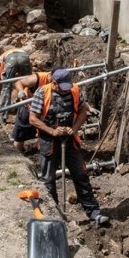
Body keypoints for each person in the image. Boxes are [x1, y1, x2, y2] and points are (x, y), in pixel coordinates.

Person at [28, 69, 109, 227]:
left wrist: (74, 128)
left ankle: (93, 212)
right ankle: (53, 218)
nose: (66, 90)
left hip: (70, 140)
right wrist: (52, 131)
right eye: (62, 87)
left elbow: (83, 111)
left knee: (81, 175)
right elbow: (33, 119)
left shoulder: (75, 90)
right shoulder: (41, 93)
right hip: (48, 141)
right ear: (54, 83)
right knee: (48, 181)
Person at [9, 70, 52, 152]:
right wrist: (21, 92)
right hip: (28, 105)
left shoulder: (60, 83)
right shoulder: (38, 78)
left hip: (44, 108)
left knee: (44, 130)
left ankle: (42, 151)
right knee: (20, 133)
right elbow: (19, 82)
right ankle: (18, 154)